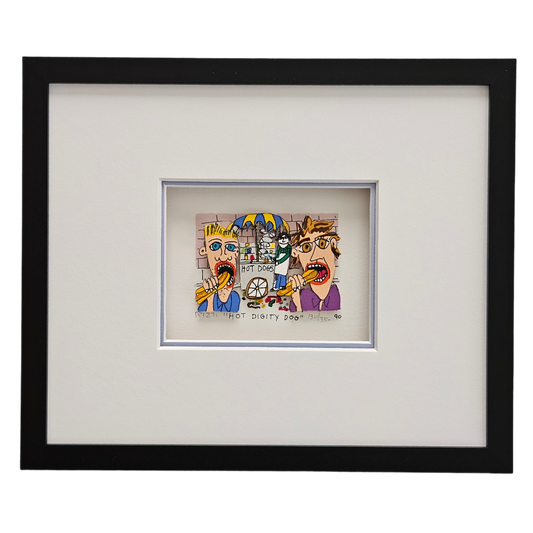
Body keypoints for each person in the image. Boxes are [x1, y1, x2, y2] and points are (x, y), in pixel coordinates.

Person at [288, 216, 341, 312]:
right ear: (296, 253)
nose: (314, 257)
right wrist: (297, 300)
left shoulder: (337, 296)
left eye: (322, 243)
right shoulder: (302, 297)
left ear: (333, 244)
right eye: (306, 247)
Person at [197, 223, 240, 312]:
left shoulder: (235, 297)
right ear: (204, 251)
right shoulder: (205, 304)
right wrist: (210, 297)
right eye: (215, 246)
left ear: (237, 252)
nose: (223, 256)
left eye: (230, 247)